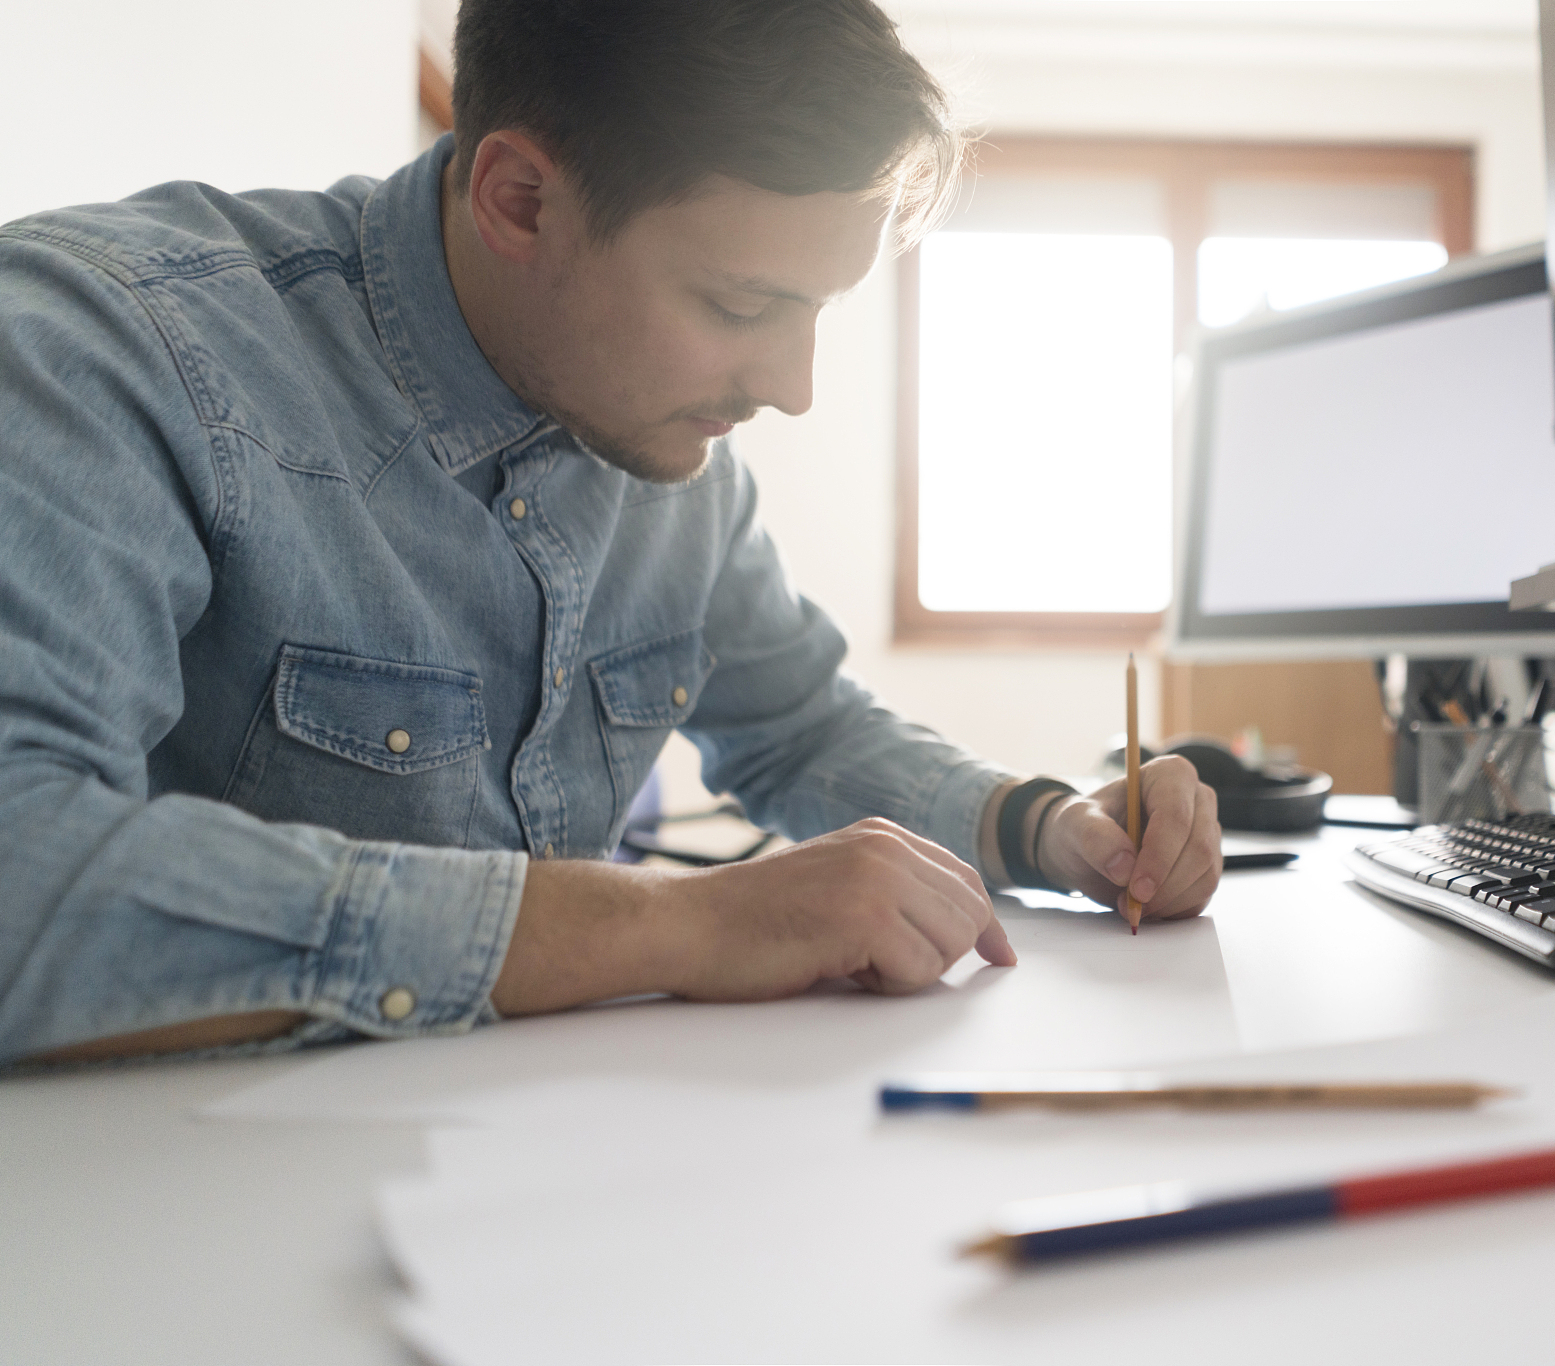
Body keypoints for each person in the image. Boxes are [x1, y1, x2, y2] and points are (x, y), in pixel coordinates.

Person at [0, 0, 1222, 1066]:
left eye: (815, 313)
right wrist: (674, 925)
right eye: (742, 304)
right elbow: (22, 872)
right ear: (519, 200)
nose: (792, 388)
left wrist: (1051, 826)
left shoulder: (672, 448)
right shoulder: (95, 354)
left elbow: (801, 727)